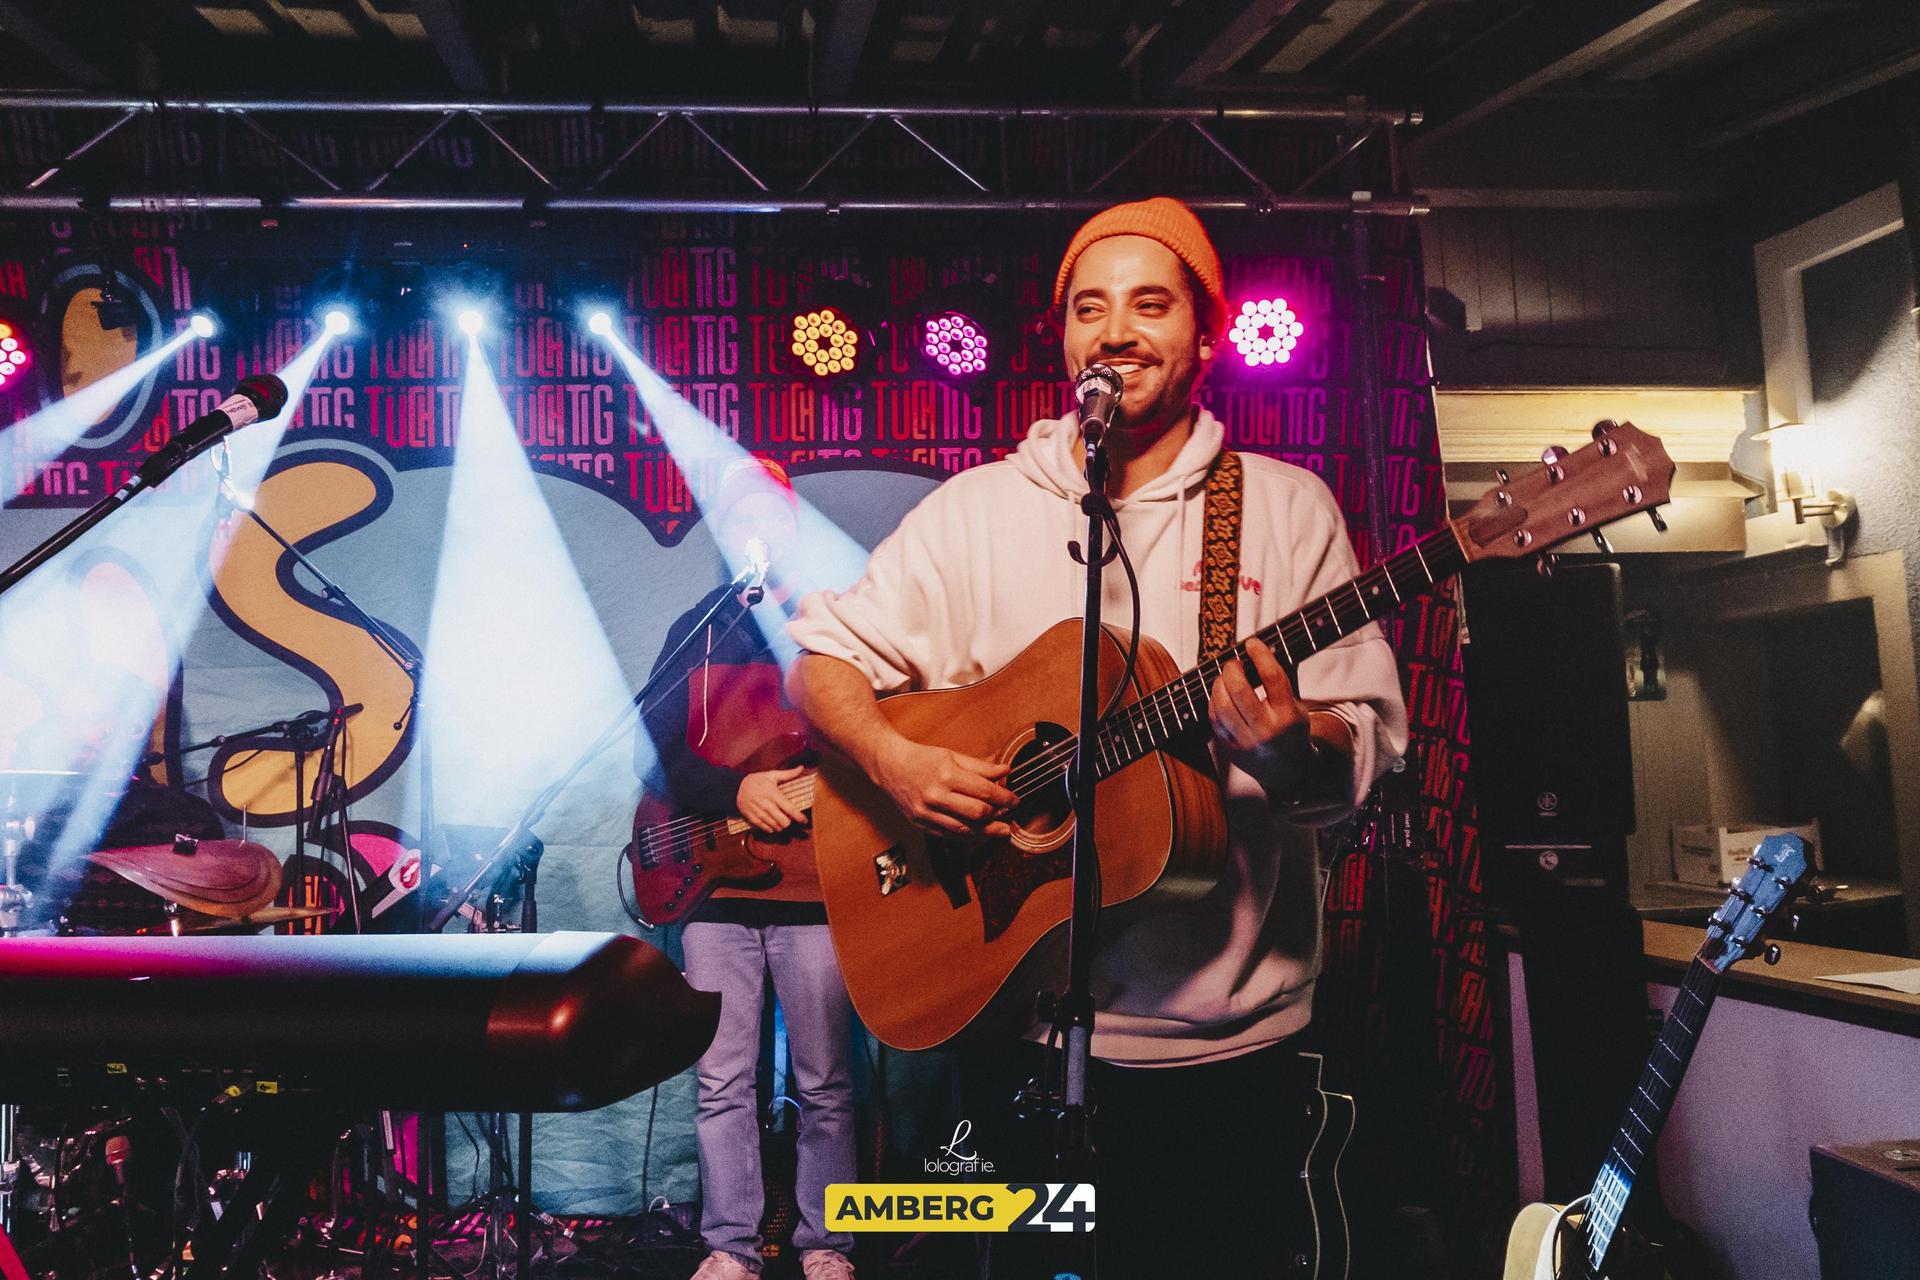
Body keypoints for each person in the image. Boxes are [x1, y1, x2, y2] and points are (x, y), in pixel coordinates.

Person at [783, 197, 1409, 1273]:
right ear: (1065, 338)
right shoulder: (976, 509)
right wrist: (898, 759)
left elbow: (1363, 738)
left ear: (1206, 339)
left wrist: (1286, 749)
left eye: (1150, 303)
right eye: (1090, 306)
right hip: (1011, 1033)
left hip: (1227, 1043)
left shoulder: (1283, 508)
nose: (1116, 329)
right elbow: (821, 661)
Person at [639, 456, 857, 1280]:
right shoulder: (696, 627)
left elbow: (880, 744)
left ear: (792, 521)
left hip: (818, 892)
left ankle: (827, 1243)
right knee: (721, 1078)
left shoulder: (837, 625)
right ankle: (728, 1246)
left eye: (763, 509)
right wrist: (739, 787)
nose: (749, 525)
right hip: (714, 891)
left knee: (826, 1080)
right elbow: (653, 755)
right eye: (733, 514)